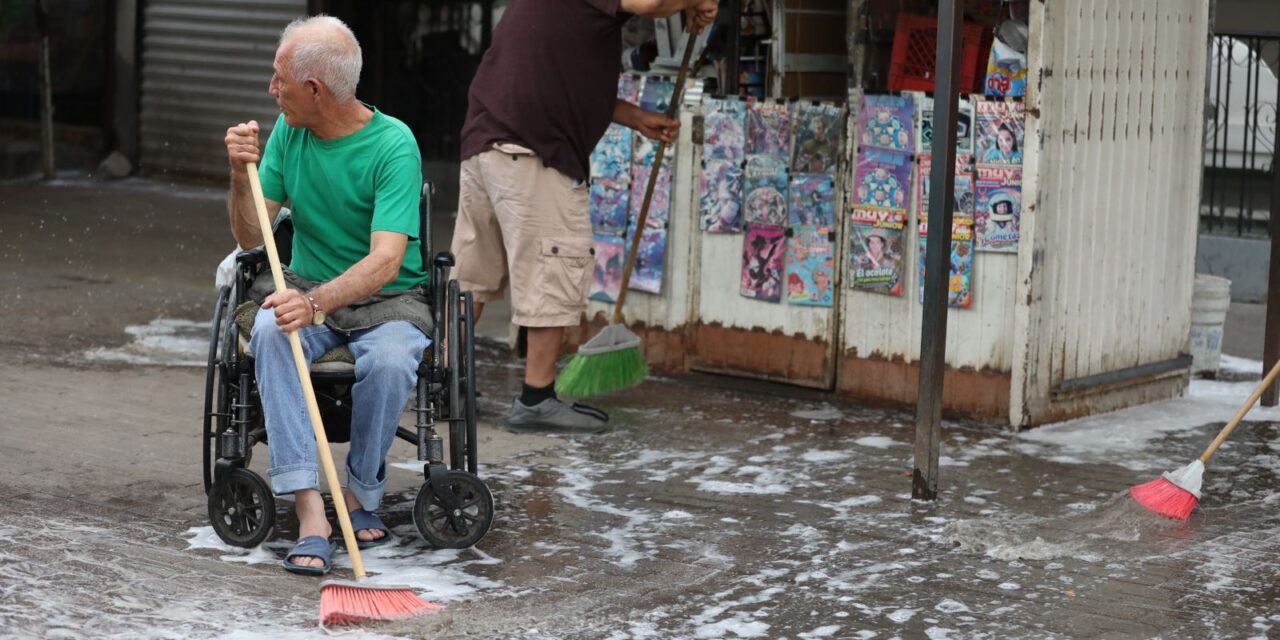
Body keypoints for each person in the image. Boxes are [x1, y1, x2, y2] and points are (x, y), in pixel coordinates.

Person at [452, 0, 718, 433]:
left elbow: (564, 76)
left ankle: (446, 383)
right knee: (554, 266)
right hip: (533, 152)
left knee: (473, 276)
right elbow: (653, 3)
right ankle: (536, 399)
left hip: (488, 146)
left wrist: (636, 118)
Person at [224, 16, 428, 575]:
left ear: (315, 88)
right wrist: (242, 176)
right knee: (269, 330)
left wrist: (317, 305)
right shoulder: (289, 133)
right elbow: (249, 236)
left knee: (390, 360)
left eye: (279, 77)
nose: (272, 89)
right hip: (307, 286)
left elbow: (387, 260)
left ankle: (360, 491)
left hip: (386, 295)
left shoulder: (394, 144)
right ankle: (311, 507)